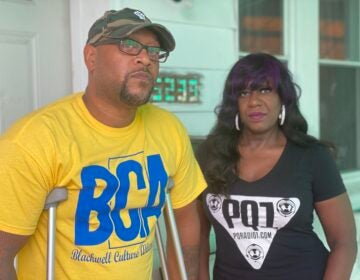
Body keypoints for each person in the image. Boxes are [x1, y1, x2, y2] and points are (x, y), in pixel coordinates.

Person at [0, 8, 206, 280]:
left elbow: (186, 217)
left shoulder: (168, 130)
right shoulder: (35, 140)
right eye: (129, 45)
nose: (145, 58)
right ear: (91, 57)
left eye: (154, 52)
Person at [196, 53, 357, 280]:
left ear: (283, 98)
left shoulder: (312, 157)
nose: (254, 101)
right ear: (235, 104)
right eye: (243, 93)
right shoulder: (210, 154)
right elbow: (198, 238)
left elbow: (344, 242)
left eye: (265, 90)